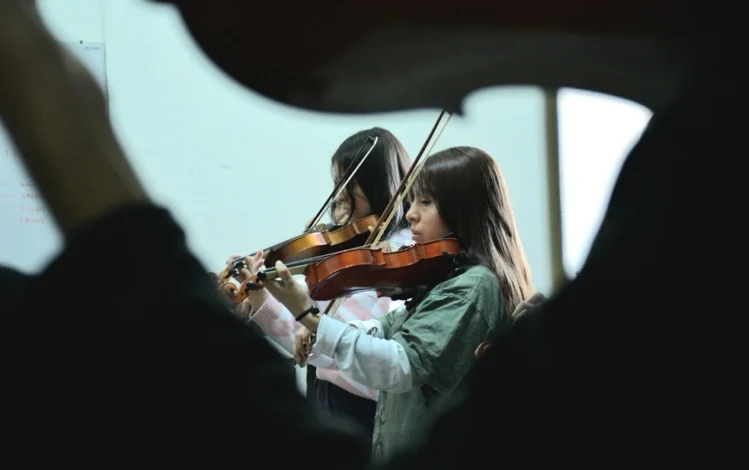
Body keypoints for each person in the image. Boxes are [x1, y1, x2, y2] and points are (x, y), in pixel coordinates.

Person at [0, 2, 370, 466]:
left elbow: (373, 369)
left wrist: (309, 320)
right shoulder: (333, 253)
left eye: (347, 186)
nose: (337, 198)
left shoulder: (393, 270)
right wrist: (265, 308)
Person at [258, 146, 535, 461]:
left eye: (425, 201)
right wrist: (322, 327)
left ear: (463, 210)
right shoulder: (446, 279)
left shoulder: (475, 285)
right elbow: (386, 327)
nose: (411, 213)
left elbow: (402, 364)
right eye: (413, 199)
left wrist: (311, 318)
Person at [232, 127, 413, 446]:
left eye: (349, 185)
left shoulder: (393, 260)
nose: (339, 196)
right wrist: (263, 295)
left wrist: (267, 301)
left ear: (378, 184)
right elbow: (309, 334)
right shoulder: (350, 250)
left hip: (362, 416)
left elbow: (329, 348)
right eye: (337, 184)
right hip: (329, 400)